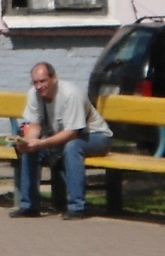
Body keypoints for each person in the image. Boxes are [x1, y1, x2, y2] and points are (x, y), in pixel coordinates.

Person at [11, 62, 112, 220]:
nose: (39, 86)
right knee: (31, 149)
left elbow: (72, 133)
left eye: (43, 81)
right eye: (35, 82)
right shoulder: (34, 94)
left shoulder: (71, 94)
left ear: (54, 78)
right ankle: (28, 206)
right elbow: (35, 126)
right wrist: (27, 142)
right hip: (62, 136)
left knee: (72, 147)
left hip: (96, 136)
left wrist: (41, 143)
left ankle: (77, 207)